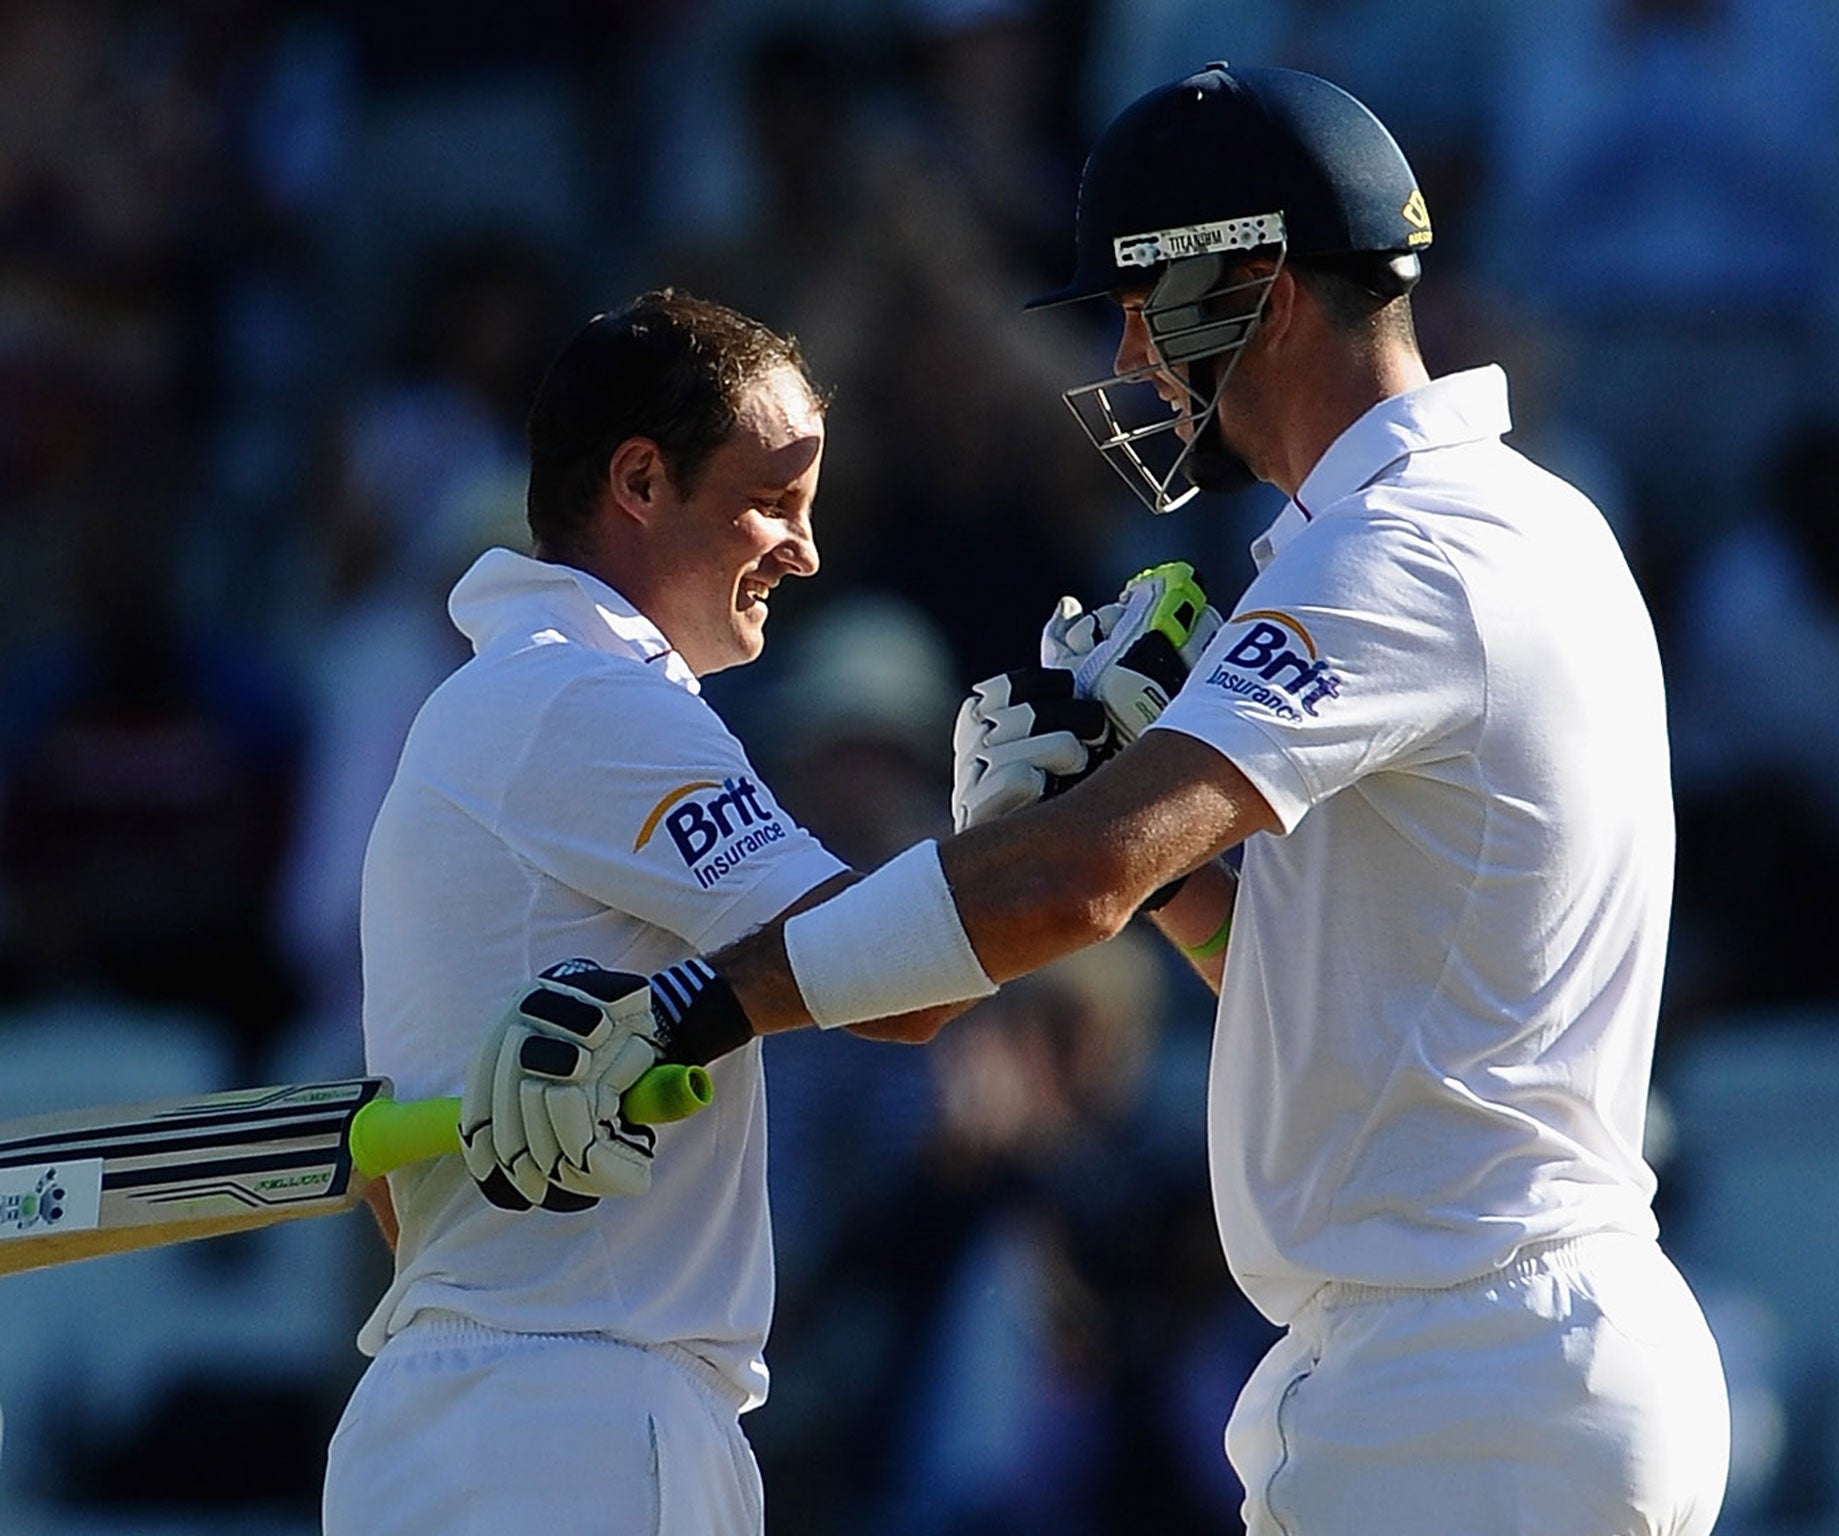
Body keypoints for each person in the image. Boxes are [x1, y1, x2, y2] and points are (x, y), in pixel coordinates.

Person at [469, 66, 1733, 1534]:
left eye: (1146, 296)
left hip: (1467, 1372)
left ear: (1256, 282)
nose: (1130, 350)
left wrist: (694, 1006)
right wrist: (1173, 862)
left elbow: (1075, 883)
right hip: (1490, 1356)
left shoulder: (1407, 551)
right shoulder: (1527, 518)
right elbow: (1292, 976)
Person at [320, 288, 961, 1536]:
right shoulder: (587, 699)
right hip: (572, 1420)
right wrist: (1012, 819)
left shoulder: (509, 699)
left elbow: (402, 1199)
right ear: (640, 480)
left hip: (494, 1415)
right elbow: (901, 979)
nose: (804, 550)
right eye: (774, 499)